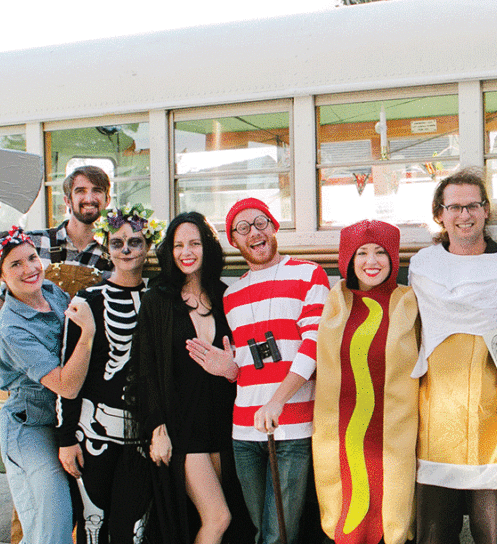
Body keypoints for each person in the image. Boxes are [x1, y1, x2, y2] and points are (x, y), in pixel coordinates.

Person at [188, 197, 330, 544]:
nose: (255, 233)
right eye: (243, 228)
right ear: (234, 241)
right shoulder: (232, 294)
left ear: (274, 226)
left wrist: (277, 401)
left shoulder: (309, 274)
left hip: (292, 426)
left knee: (277, 532)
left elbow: (313, 347)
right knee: (260, 529)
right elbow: (249, 361)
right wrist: (230, 369)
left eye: (261, 222)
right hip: (244, 430)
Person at [408, 168, 497, 544]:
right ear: (440, 214)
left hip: (491, 419)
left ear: (486, 210)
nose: (465, 215)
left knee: (490, 534)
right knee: (433, 534)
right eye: (455, 207)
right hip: (433, 417)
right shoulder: (422, 267)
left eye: (473, 206)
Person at [56, 205, 164, 544]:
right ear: (106, 248)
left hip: (144, 433)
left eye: (135, 241)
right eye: (117, 243)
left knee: (134, 528)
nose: (127, 249)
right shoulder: (88, 299)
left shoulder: (160, 298)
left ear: (148, 246)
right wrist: (66, 437)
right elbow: (68, 374)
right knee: (94, 524)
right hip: (94, 430)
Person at [0, 226, 97, 544]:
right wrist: (88, 335)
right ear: (1, 277)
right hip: (30, 426)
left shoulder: (50, 291)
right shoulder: (10, 329)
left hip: (67, 420)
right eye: (15, 265)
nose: (29, 269)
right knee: (53, 525)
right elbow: (66, 385)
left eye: (32, 258)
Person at [131, 212, 237, 544]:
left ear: (208, 246)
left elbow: (242, 363)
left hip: (223, 424)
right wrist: (157, 429)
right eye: (178, 245)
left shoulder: (225, 296)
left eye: (194, 243)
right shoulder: (158, 299)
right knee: (218, 518)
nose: (186, 252)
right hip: (182, 428)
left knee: (218, 522)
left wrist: (231, 368)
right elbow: (144, 369)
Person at [312, 220, 420, 544]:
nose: (371, 261)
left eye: (380, 252)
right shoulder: (336, 302)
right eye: (361, 252)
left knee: (391, 513)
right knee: (346, 512)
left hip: (393, 434)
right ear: (348, 258)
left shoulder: (410, 302)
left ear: (394, 258)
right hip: (341, 433)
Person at [0, 165, 113, 317]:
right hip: (41, 348)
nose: (89, 198)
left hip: (90, 349)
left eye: (97, 190)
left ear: (107, 201)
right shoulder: (33, 243)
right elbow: (4, 303)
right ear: (67, 200)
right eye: (80, 191)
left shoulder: (117, 251)